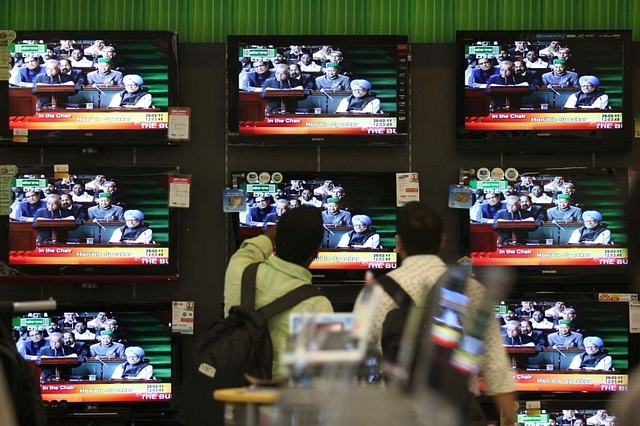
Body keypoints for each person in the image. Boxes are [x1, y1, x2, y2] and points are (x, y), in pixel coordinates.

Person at [353, 201, 516, 425]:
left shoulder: (372, 295)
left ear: (398, 242)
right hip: (457, 413)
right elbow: (497, 369)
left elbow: (356, 366)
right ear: (442, 241)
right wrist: (510, 420)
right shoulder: (472, 291)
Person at [223, 206, 333, 380]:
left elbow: (252, 248)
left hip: (230, 393)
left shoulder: (240, 269)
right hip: (279, 402)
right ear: (317, 251)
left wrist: (276, 231)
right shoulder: (318, 305)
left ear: (276, 239)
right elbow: (316, 374)